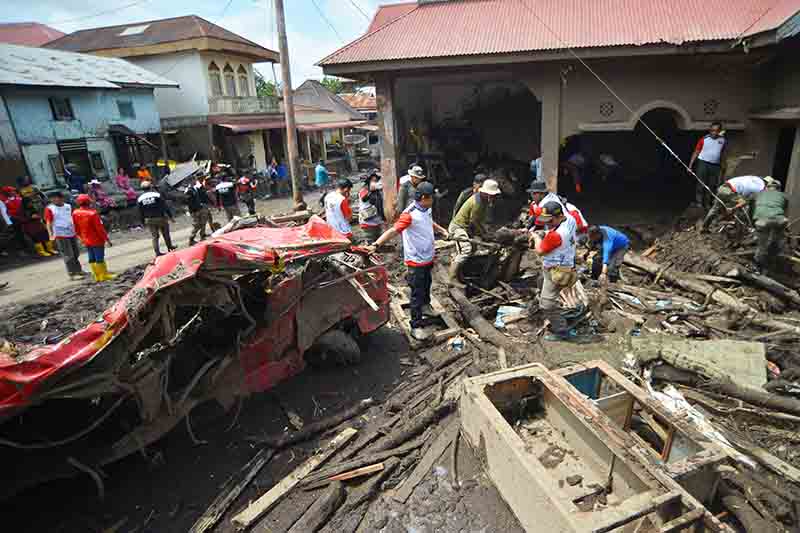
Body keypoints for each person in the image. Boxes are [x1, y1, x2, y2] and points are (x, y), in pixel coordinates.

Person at [368, 182, 449, 340]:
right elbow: (393, 230)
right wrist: (376, 244)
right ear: (424, 198)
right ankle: (416, 325)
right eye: (432, 197)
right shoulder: (409, 214)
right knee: (416, 293)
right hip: (416, 261)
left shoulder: (426, 209)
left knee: (427, 284)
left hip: (427, 257)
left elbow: (428, 222)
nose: (434, 200)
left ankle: (426, 306)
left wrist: (441, 230)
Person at [530, 202, 580, 342]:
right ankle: (549, 316)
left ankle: (561, 331)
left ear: (559, 216)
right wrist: (545, 233)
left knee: (546, 303)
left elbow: (539, 251)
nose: (548, 223)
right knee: (540, 282)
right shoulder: (567, 224)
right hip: (564, 267)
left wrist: (536, 238)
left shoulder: (556, 235)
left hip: (556, 271)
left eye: (550, 221)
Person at [448, 179, 501, 287]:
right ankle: (451, 278)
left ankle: (463, 274)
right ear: (484, 192)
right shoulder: (478, 202)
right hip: (458, 227)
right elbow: (474, 222)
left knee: (474, 249)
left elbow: (479, 221)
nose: (492, 197)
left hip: (467, 228)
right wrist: (483, 235)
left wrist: (485, 234)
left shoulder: (484, 201)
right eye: (490, 195)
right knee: (466, 250)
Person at [701, 175, 769, 232]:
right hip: (730, 191)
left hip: (722, 188)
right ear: (767, 186)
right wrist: (733, 208)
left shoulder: (755, 178)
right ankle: (739, 227)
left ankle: (704, 227)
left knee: (715, 209)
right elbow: (745, 201)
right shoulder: (760, 188)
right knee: (742, 206)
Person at [72, 194, 115, 282]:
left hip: (85, 239)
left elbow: (76, 228)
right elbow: (100, 229)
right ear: (88, 202)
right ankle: (104, 275)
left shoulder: (75, 213)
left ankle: (97, 276)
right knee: (99, 257)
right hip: (96, 239)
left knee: (91, 257)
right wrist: (107, 239)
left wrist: (81, 238)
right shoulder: (93, 213)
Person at [44, 190, 84, 279]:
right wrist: (50, 234)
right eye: (52, 198)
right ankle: (72, 273)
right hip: (60, 234)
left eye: (55, 198)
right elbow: (48, 222)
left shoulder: (68, 206)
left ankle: (78, 270)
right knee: (68, 254)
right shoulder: (50, 209)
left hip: (71, 232)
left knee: (75, 253)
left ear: (61, 198)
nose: (53, 200)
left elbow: (73, 217)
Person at [752, 179, 788, 273]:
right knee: (777, 237)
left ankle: (757, 267)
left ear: (767, 187)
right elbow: (784, 209)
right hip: (779, 220)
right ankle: (773, 254)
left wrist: (753, 223)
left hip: (761, 221)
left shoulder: (759, 194)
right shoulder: (783, 195)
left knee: (761, 245)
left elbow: (753, 208)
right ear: (779, 188)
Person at [690, 122, 727, 207]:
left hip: (715, 165)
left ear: (719, 131)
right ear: (710, 130)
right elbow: (696, 152)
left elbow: (722, 153)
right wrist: (691, 165)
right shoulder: (704, 139)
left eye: (716, 131)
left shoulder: (722, 140)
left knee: (712, 184)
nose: (714, 132)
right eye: (712, 130)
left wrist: (723, 165)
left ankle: (708, 203)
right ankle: (699, 202)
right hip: (703, 163)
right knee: (701, 182)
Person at [17, 177, 54, 257]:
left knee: (45, 227)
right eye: (24, 180)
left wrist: (46, 202)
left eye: (26, 179)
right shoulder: (19, 190)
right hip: (28, 209)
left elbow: (42, 195)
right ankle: (42, 249)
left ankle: (50, 247)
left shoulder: (34, 187)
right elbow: (20, 200)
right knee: (36, 231)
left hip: (39, 207)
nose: (26, 181)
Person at [137, 181, 175, 256]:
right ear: (150, 187)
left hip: (149, 220)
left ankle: (157, 252)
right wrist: (170, 216)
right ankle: (170, 247)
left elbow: (140, 212)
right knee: (165, 233)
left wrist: (142, 222)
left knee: (155, 236)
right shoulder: (157, 195)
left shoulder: (140, 199)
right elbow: (165, 206)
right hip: (160, 217)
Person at [358, 171, 385, 243]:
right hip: (367, 223)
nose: (375, 182)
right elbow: (364, 198)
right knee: (370, 244)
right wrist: (370, 190)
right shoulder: (364, 190)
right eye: (373, 181)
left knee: (378, 244)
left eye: (376, 181)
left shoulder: (378, 191)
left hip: (377, 222)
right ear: (368, 181)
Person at [187, 176, 212, 245]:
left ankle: (202, 236)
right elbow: (189, 202)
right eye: (194, 180)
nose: (195, 181)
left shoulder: (194, 188)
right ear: (191, 181)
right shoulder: (189, 190)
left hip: (199, 208)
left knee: (203, 222)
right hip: (194, 210)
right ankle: (191, 238)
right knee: (197, 225)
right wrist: (191, 211)